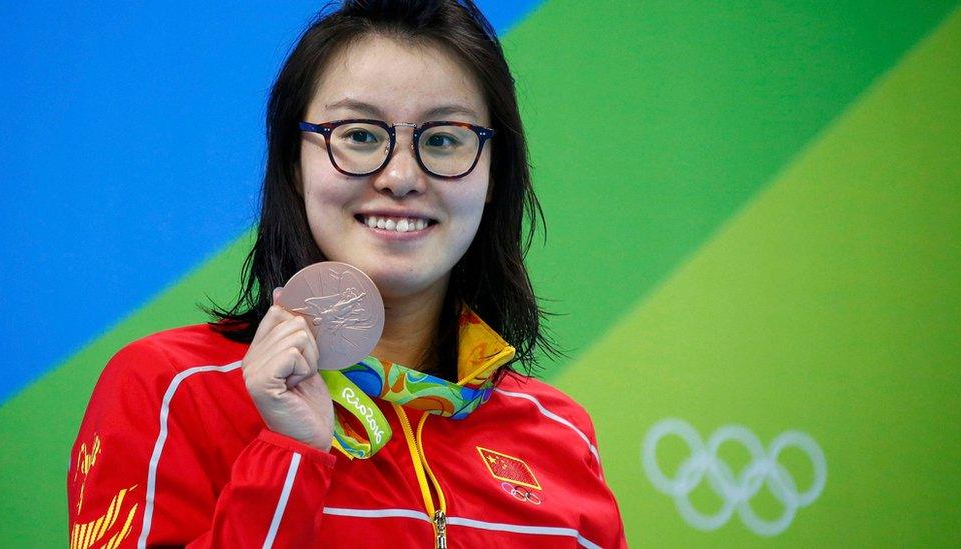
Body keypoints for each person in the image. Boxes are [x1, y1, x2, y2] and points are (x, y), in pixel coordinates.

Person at [67, 1, 628, 547]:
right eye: (359, 135)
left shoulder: (559, 433)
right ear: (294, 163)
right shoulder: (172, 390)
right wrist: (286, 458)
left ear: (492, 175)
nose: (402, 177)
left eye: (442, 139)